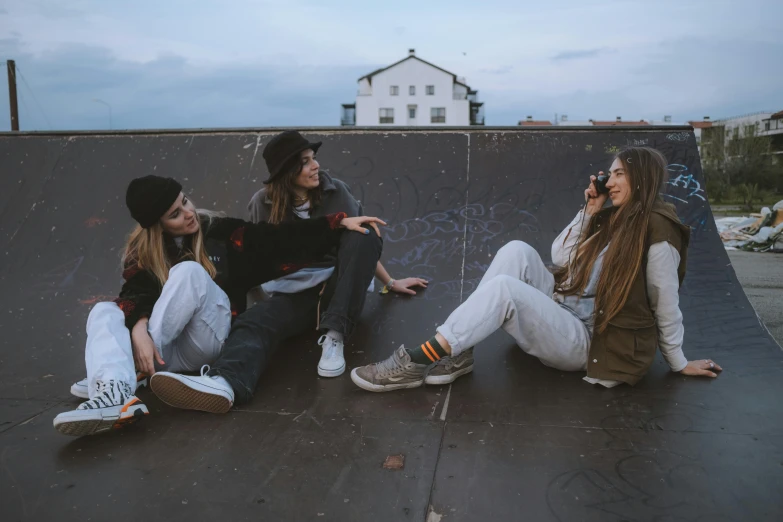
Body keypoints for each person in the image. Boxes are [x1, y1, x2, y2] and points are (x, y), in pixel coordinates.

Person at [350, 146, 723, 392]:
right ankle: (458, 352)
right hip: (564, 308)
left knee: (505, 290)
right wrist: (590, 211)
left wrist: (678, 362)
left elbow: (665, 301)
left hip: (590, 341)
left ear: (643, 177)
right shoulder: (612, 218)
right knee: (517, 250)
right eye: (609, 174)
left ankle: (417, 361)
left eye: (619, 174)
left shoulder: (659, 230)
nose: (609, 181)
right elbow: (560, 258)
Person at [54, 175, 383, 436]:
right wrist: (139, 323)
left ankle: (126, 372)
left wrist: (336, 223)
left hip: (209, 337)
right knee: (104, 310)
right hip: (166, 350)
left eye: (185, 202)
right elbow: (134, 294)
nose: (189, 214)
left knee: (189, 272)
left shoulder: (222, 234)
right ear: (157, 226)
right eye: (175, 215)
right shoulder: (143, 255)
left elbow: (275, 237)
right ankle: (114, 393)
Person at [149, 131, 428, 414]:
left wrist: (390, 281)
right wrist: (258, 306)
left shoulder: (335, 191)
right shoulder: (262, 203)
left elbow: (360, 250)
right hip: (292, 292)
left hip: (337, 283)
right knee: (253, 323)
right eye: (305, 162)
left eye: (313, 159)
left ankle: (334, 336)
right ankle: (225, 383)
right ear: (287, 171)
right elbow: (258, 256)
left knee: (365, 232)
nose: (315, 166)